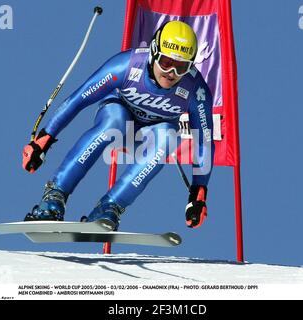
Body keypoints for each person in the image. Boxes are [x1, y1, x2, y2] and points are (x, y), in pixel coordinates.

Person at [22, 21, 215, 231]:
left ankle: (110, 207)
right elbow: (78, 100)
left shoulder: (196, 90)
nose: (171, 72)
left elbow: (204, 140)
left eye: (181, 67)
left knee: (170, 136)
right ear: (153, 52)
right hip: (118, 114)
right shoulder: (127, 65)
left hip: (152, 133)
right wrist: (44, 139)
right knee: (115, 123)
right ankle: (55, 195)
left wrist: (198, 193)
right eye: (166, 61)